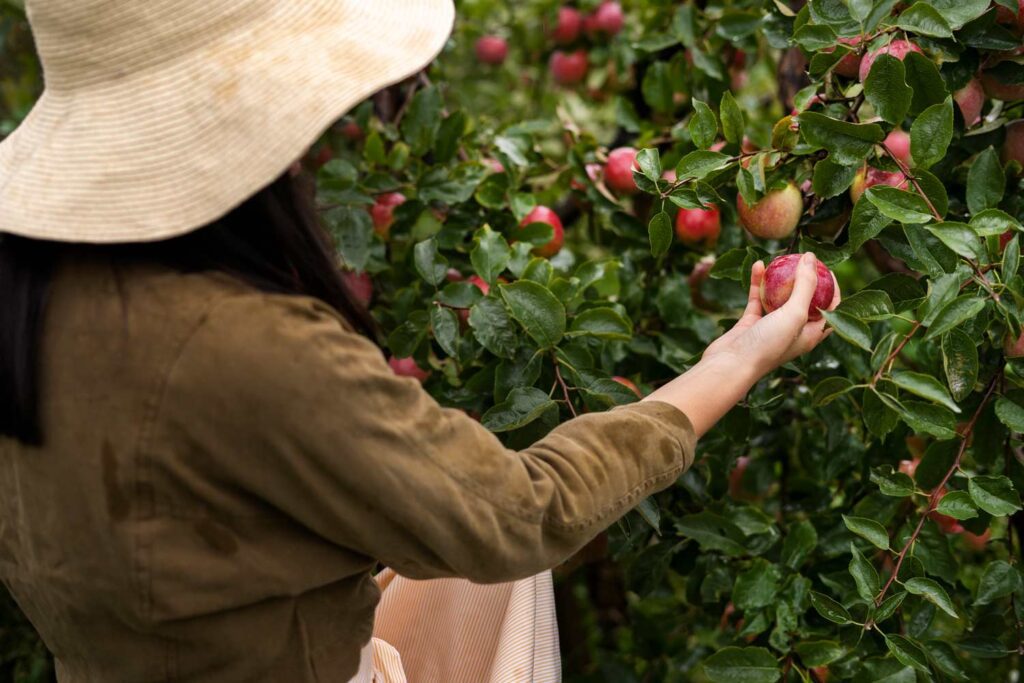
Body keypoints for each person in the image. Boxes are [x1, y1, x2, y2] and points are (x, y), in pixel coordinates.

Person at [0, 1, 840, 681]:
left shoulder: (31, 292)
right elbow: (521, 513)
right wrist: (731, 363)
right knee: (507, 560)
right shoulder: (247, 344)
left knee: (491, 588)